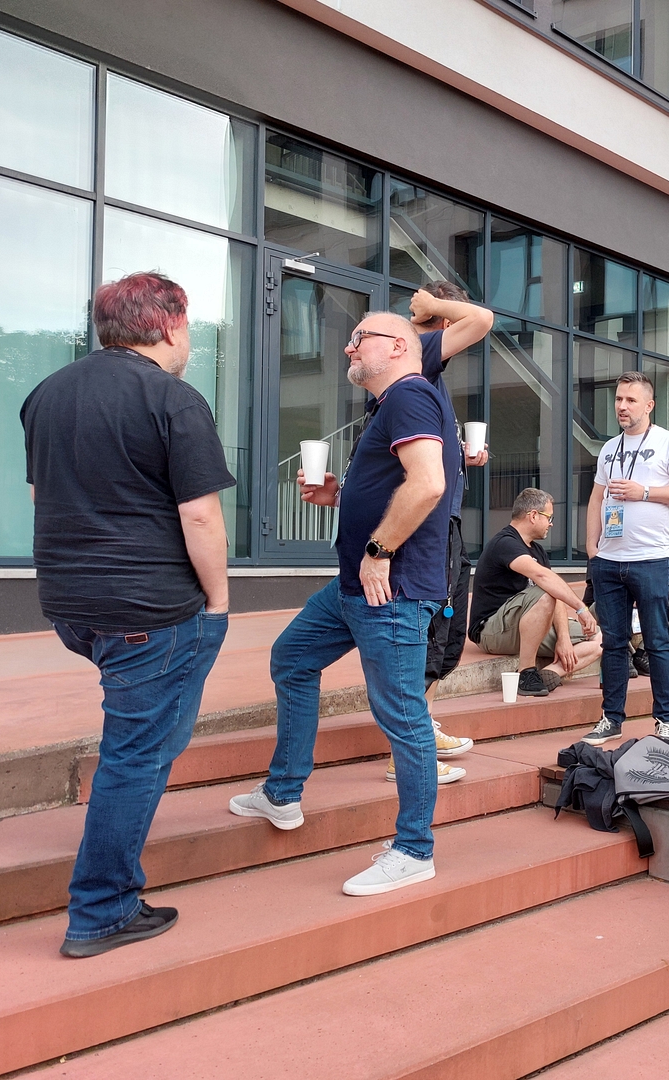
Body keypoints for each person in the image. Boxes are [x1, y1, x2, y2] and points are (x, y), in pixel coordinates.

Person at [21, 272, 234, 957]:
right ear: (168, 325)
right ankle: (102, 910)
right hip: (148, 609)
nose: (189, 340)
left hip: (72, 605)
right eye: (188, 326)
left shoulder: (47, 393)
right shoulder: (173, 398)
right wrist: (220, 601)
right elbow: (200, 516)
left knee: (152, 737)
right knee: (137, 754)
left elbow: (41, 498)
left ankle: (113, 869)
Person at [229, 311, 460, 897]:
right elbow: (395, 483)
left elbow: (428, 483)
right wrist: (340, 494)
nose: (349, 348)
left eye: (360, 338)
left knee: (402, 716)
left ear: (399, 345)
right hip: (355, 588)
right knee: (292, 659)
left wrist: (379, 551)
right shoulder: (387, 407)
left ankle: (414, 850)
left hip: (391, 591)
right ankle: (282, 793)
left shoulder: (410, 395)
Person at [365, 282, 493, 785]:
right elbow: (481, 320)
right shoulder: (420, 353)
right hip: (427, 531)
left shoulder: (421, 378)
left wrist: (461, 457)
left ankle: (422, 729)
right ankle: (407, 753)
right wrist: (433, 307)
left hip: (444, 524)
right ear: (442, 321)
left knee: (442, 636)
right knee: (425, 636)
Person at [582, 371, 669, 746]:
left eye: (630, 400)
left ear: (649, 405)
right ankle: (611, 718)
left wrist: (644, 491)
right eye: (618, 399)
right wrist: (592, 550)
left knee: (657, 642)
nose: (622, 406)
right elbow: (597, 498)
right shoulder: (609, 448)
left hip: (650, 559)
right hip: (608, 561)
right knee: (613, 644)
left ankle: (667, 722)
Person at [468, 488, 602, 694]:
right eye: (549, 517)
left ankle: (550, 673)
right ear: (533, 515)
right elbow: (543, 579)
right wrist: (580, 608)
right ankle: (526, 673)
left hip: (530, 627)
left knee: (601, 639)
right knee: (545, 591)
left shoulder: (537, 550)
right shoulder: (505, 543)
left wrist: (563, 638)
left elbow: (555, 594)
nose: (551, 523)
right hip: (493, 631)